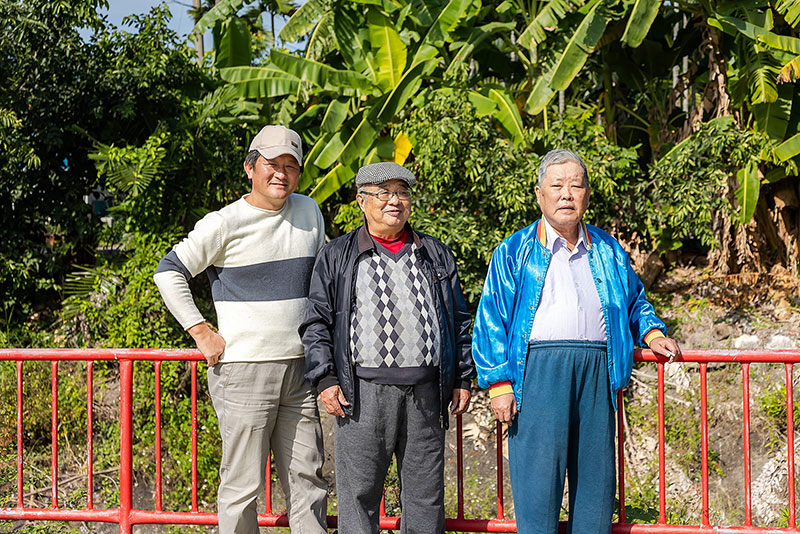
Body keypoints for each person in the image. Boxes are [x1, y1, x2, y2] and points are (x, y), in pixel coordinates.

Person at [472, 149, 681, 534]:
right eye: (557, 186)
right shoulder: (513, 251)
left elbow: (634, 300)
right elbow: (490, 320)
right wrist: (498, 383)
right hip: (537, 373)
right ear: (539, 194)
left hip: (597, 373)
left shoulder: (607, 248)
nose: (567, 194)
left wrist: (652, 333)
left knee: (596, 486)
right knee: (538, 487)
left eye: (576, 185)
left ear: (586, 194)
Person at [153, 125, 328, 534]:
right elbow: (168, 272)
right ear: (251, 167)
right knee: (242, 486)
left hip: (301, 369)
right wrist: (200, 330)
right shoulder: (224, 222)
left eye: (291, 166)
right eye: (271, 165)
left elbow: (323, 283)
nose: (281, 174)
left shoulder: (309, 211)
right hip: (244, 369)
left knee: (309, 479)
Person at [300, 161, 475, 534]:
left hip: (427, 393)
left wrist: (462, 376)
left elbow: (459, 318)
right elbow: (315, 321)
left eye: (402, 192)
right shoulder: (338, 254)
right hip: (362, 395)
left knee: (426, 497)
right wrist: (325, 378)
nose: (394, 201)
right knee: (358, 496)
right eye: (384, 193)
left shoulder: (434, 253)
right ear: (362, 201)